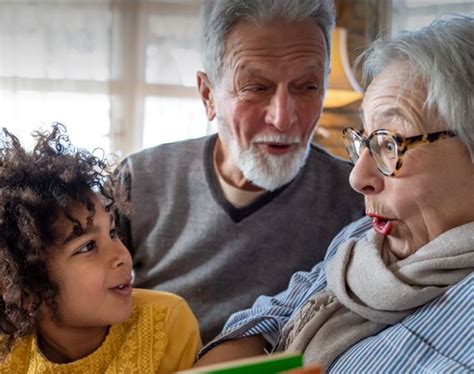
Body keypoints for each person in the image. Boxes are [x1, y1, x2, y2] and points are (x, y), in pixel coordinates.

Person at [195, 15, 474, 372]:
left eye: (391, 144)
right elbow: (270, 315)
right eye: (367, 141)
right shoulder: (365, 238)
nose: (358, 178)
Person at [117, 0, 364, 344]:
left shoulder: (358, 198)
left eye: (307, 87)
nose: (283, 117)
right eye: (256, 88)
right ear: (208, 96)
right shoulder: (139, 180)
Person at [0, 124, 200, 373]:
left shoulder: (167, 323)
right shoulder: (8, 354)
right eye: (87, 247)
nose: (121, 256)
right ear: (25, 288)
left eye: (113, 233)